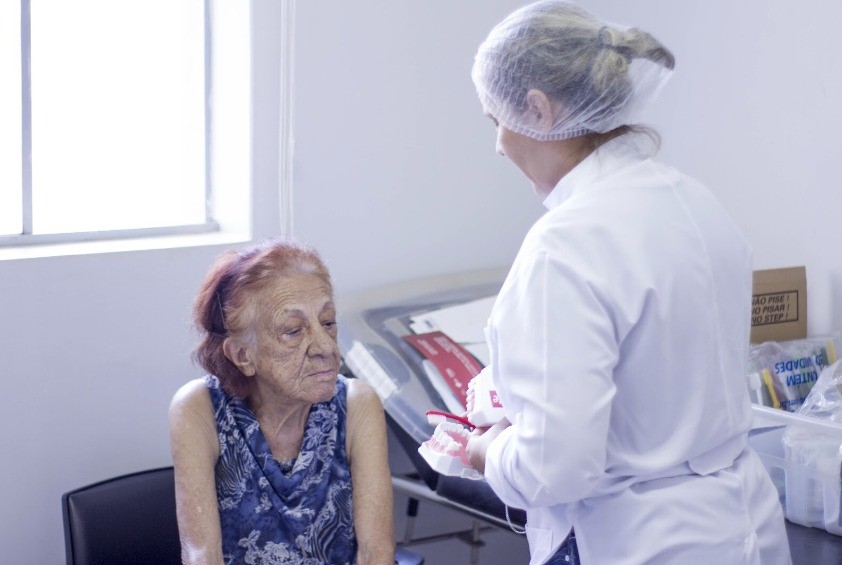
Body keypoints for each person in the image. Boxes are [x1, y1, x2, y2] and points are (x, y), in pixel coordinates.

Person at [464, 2, 792, 564]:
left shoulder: (563, 245)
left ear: (537, 110)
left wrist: (488, 450)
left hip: (642, 540)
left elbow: (554, 467)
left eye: (496, 121)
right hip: (745, 525)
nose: (498, 145)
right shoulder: (696, 203)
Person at [168, 238, 395, 564]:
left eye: (328, 322)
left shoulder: (358, 405)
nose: (326, 348)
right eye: (293, 330)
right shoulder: (199, 410)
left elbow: (377, 553)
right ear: (242, 355)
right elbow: (201, 555)